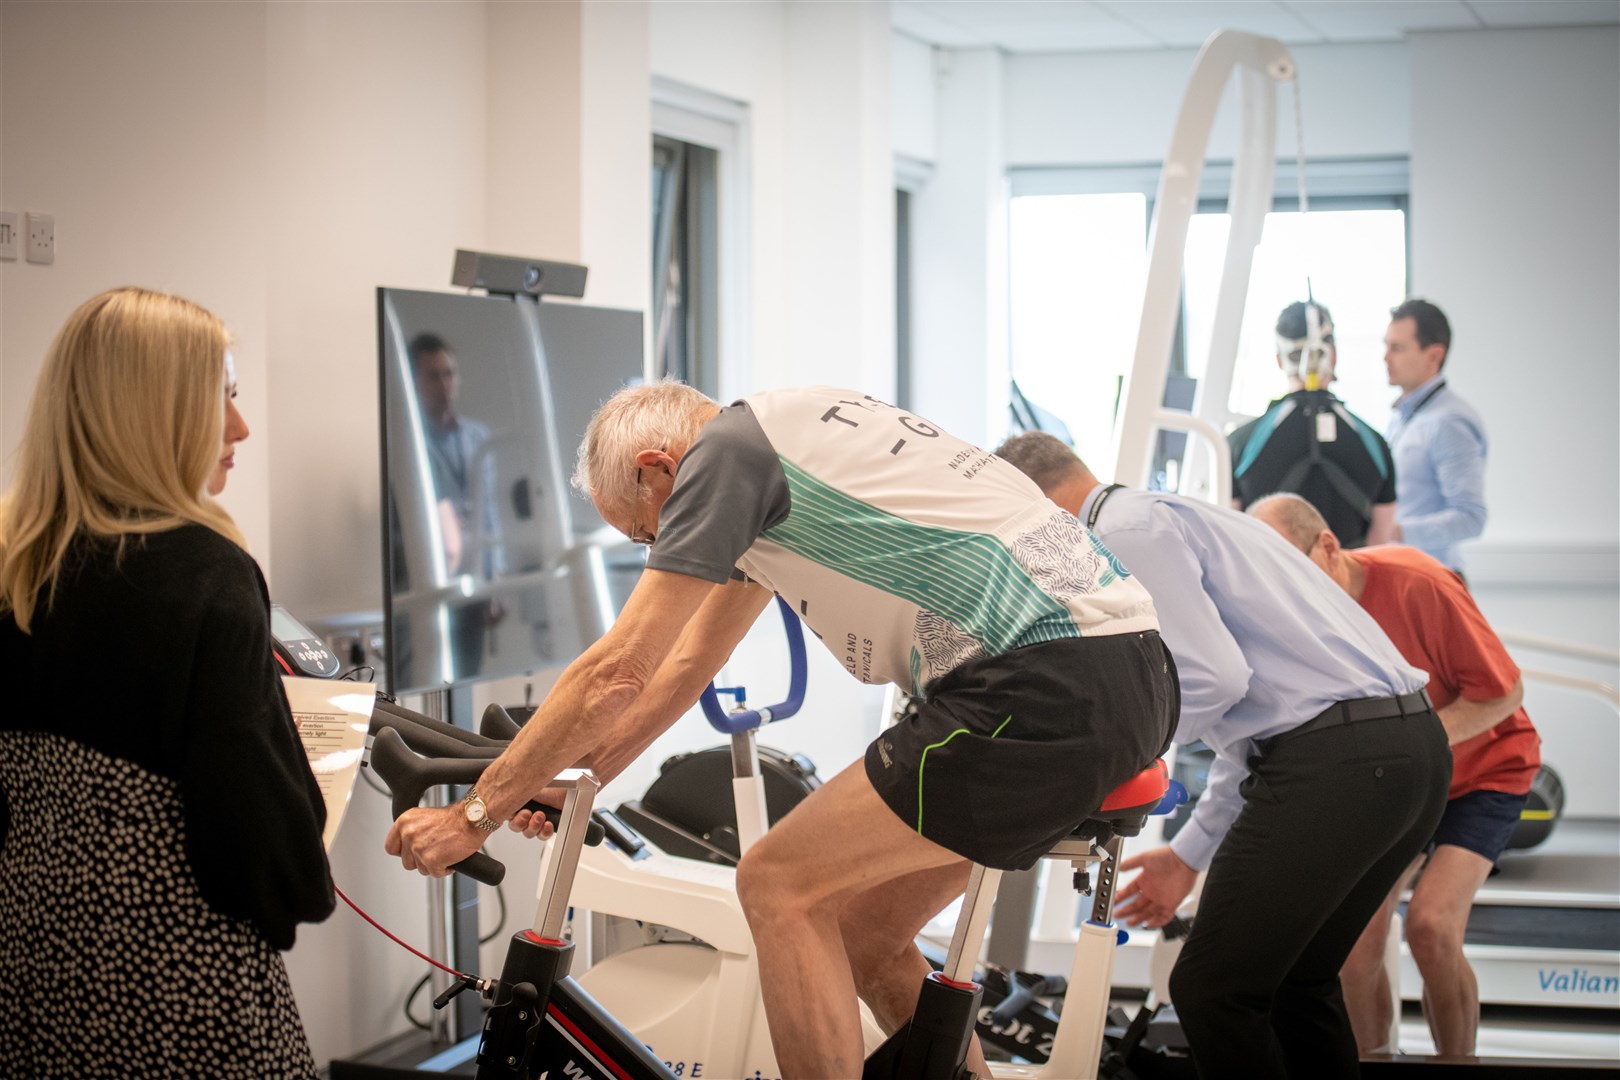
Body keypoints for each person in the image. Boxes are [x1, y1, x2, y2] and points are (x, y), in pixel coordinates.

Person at [386, 382, 1180, 1077]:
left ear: (660, 469)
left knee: (774, 884)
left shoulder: (724, 459)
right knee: (866, 930)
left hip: (1040, 683)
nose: (660, 550)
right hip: (1128, 667)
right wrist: (574, 782)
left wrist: (473, 816)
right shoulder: (778, 441)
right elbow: (686, 665)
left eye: (648, 534)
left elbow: (617, 669)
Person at [993, 430, 1450, 1080]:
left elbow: (1214, 683)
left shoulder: (1121, 535)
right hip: (1406, 750)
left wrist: (1099, 757)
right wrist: (1186, 855)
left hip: (1341, 763)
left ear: (1031, 502)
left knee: (1213, 990)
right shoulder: (1189, 518)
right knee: (1297, 985)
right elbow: (1261, 724)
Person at [0, 287, 335, 1078]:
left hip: (33, 973)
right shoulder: (208, 577)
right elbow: (260, 849)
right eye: (222, 396)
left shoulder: (15, 567)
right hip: (175, 992)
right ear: (154, 412)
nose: (240, 427)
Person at [1249, 493, 1540, 1057]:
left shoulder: (1419, 582)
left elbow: (1506, 692)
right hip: (1399, 778)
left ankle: (1458, 1062)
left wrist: (1412, 743)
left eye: (1293, 572)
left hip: (1486, 770)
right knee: (1354, 945)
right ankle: (1371, 1061)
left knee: (1430, 928)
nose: (1287, 595)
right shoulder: (1299, 621)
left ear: (1329, 547)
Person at [1227, 299, 1398, 549]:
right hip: (1343, 587)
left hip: (1267, 584)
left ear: (1279, 360)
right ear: (1334, 355)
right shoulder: (1375, 444)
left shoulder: (1241, 443)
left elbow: (1231, 538)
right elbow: (1379, 547)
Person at [409, 332, 505, 675]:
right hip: (433, 586)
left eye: (449, 373)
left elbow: (490, 513)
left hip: (476, 588)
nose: (444, 384)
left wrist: (496, 579)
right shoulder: (411, 443)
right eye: (434, 376)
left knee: (468, 673)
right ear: (416, 382)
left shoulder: (478, 437)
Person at [1383, 299, 1487, 577]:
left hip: (1435, 579)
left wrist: (1394, 532)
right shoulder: (1401, 416)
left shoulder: (1449, 422)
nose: (1386, 358)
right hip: (1405, 574)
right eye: (1386, 346)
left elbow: (1471, 517)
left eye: (1397, 348)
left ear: (1434, 355)